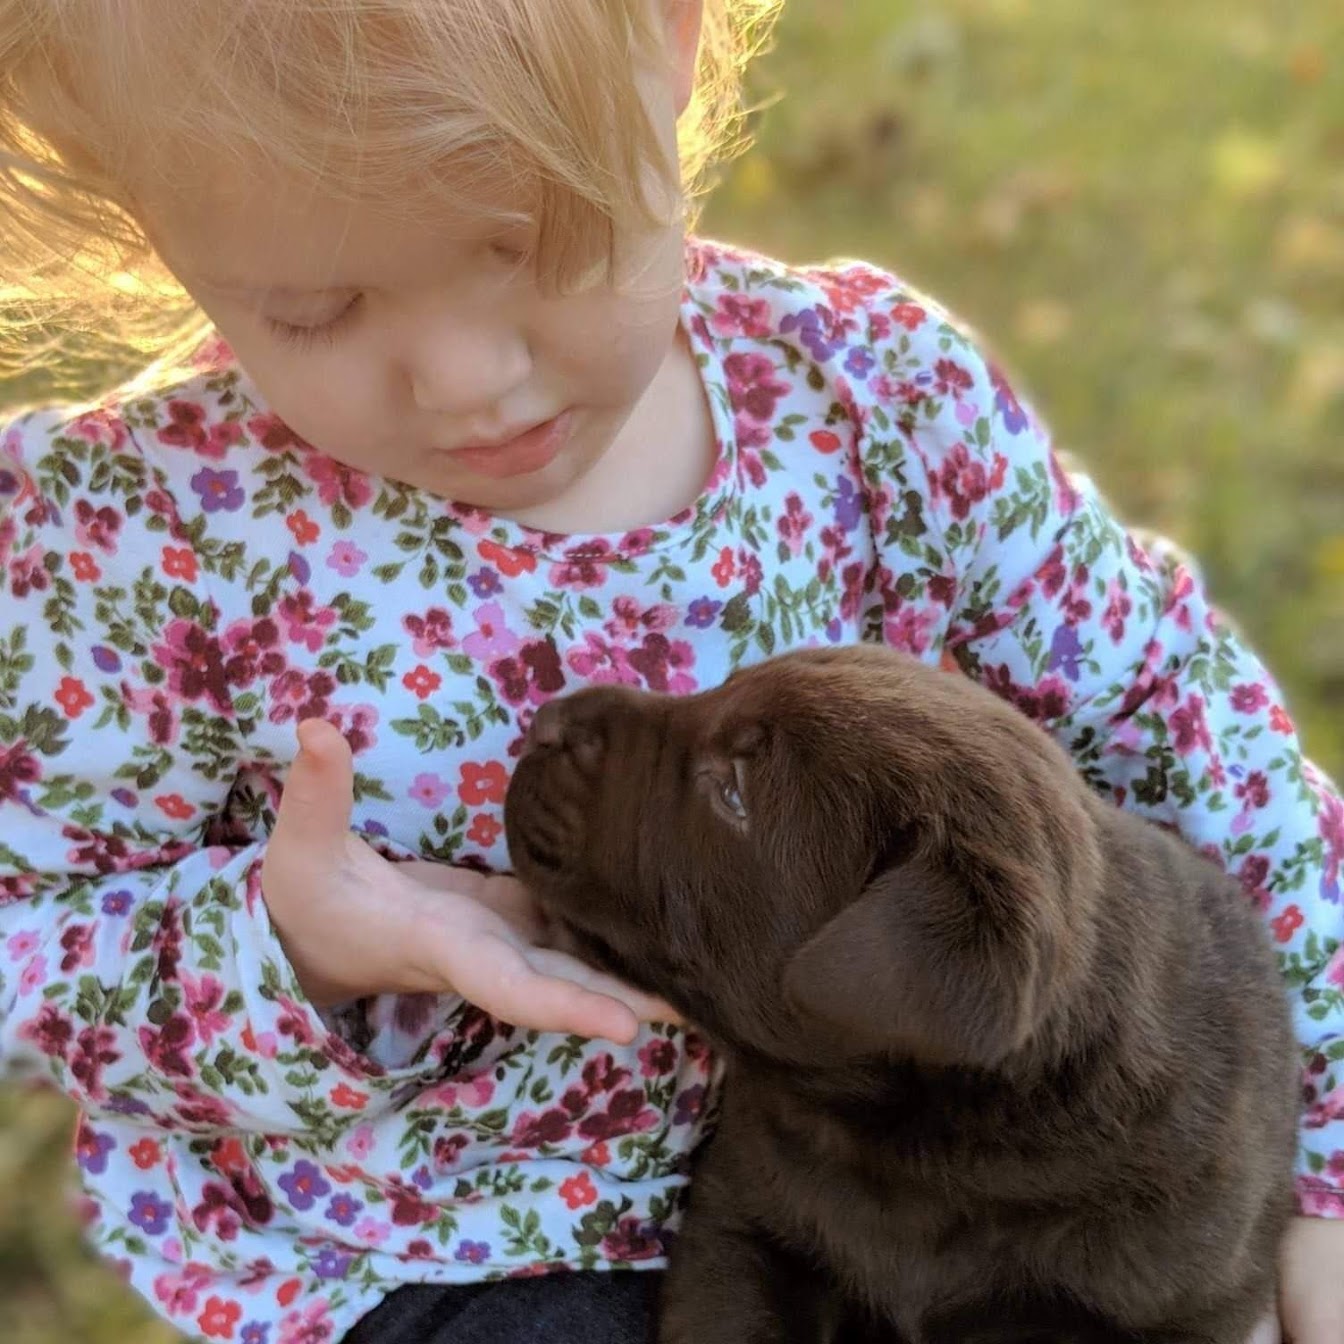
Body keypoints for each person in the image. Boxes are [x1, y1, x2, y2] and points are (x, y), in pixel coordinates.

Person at [0, 2, 1339, 1341]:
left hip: (934, 1199)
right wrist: (288, 948)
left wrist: (1331, 1164)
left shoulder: (872, 401)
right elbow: (26, 937)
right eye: (314, 308)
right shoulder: (134, 543)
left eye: (534, 244)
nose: (471, 379)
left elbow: (1190, 733)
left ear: (672, 44)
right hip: (455, 1251)